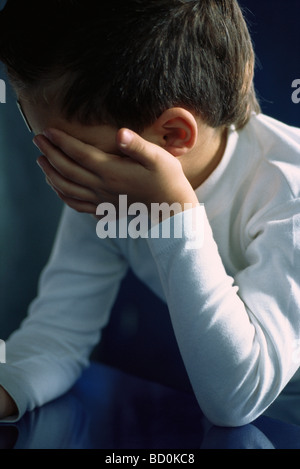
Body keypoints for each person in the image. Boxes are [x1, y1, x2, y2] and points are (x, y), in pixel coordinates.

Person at [0, 0, 299, 428]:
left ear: (173, 135)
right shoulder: (109, 186)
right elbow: (57, 334)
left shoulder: (289, 196)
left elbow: (237, 399)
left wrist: (172, 210)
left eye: (69, 150)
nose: (53, 166)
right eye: (37, 137)